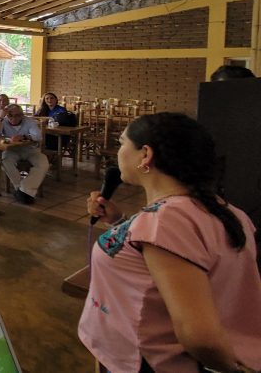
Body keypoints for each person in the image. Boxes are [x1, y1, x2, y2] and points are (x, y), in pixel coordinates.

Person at [80, 113, 261, 373]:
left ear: (145, 155)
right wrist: (119, 221)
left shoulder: (164, 222)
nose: (118, 152)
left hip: (146, 361)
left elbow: (200, 336)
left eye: (122, 143)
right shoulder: (230, 213)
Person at [0, 104, 48, 205]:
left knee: (43, 163)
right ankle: (20, 189)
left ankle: (23, 190)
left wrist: (23, 136)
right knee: (4, 161)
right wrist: (0, 117)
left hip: (30, 149)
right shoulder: (3, 121)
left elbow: (38, 136)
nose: (13, 118)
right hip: (12, 150)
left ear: (22, 115)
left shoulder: (29, 121)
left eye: (17, 115)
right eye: (10, 115)